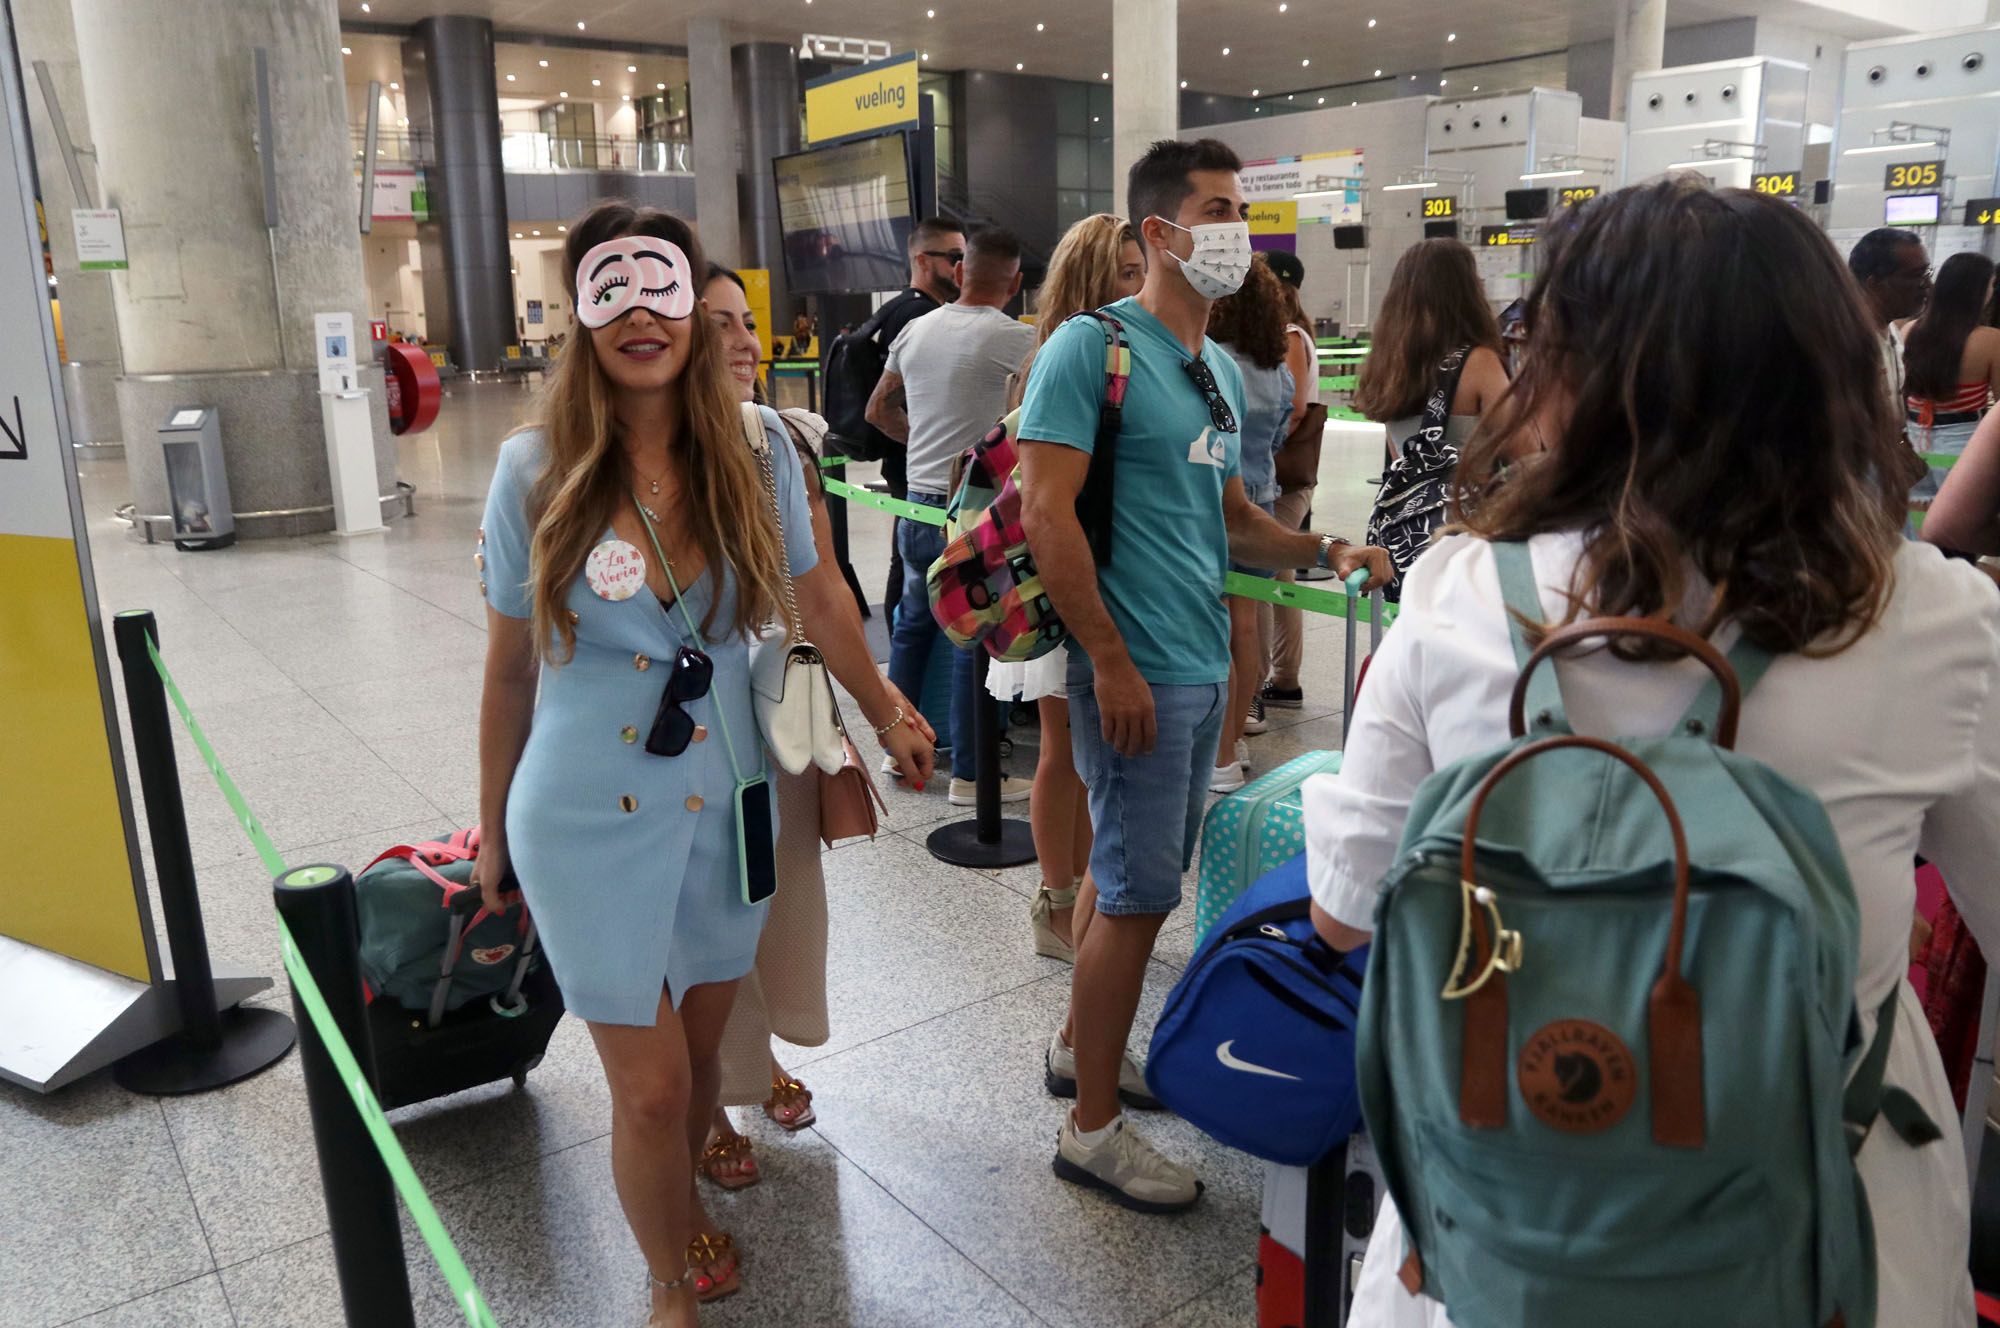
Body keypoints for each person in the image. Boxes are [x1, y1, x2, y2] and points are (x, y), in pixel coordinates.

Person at [1307, 178, 1995, 1327]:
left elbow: (1345, 909)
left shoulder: (1457, 587)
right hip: (1815, 1237)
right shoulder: (1928, 616)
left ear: (1569, 373)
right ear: (1823, 370)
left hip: (1499, 1232)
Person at [472, 203, 933, 1328]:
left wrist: (883, 706)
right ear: (580, 317)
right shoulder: (533, 472)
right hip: (582, 812)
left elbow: (818, 594)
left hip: (726, 801)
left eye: (660, 288)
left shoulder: (758, 448)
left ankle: (677, 1212)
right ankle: (668, 1286)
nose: (639, 313)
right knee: (653, 1083)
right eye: (611, 291)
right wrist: (491, 832)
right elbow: (508, 673)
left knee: (693, 1062)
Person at [1017, 137, 1390, 1213]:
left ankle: (1078, 1043)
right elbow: (1047, 513)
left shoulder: (1217, 368)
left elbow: (1230, 518)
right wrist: (1107, 660)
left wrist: (1319, 550)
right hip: (1132, 667)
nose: (1238, 230)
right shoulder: (1090, 350)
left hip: (1191, 661)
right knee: (1137, 892)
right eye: (1218, 208)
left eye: (1240, 208)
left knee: (1126, 872)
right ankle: (1090, 1129)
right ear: (1159, 233)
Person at [694, 266, 936, 1195]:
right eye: (717, 326)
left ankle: (749, 1063)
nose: (744, 342)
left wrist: (881, 708)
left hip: (775, 708)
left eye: (746, 322)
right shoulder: (617, 454)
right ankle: (712, 1098)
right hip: (675, 733)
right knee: (703, 909)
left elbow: (822, 585)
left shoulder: (776, 440)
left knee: (779, 892)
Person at [993, 213, 1147, 962]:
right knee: (1061, 746)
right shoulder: (1074, 351)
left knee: (1081, 753)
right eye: (1126, 272)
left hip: (1093, 574)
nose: (1140, 284)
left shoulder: (1100, 350)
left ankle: (1079, 889)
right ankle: (1057, 897)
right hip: (1059, 580)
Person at [868, 227, 1038, 806]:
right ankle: (973, 773)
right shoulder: (1019, 340)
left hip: (914, 505)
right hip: (969, 512)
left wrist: (924, 444)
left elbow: (878, 408)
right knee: (977, 635)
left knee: (913, 626)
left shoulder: (915, 330)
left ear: (961, 271)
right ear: (1015, 283)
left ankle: (902, 752)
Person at [1204, 255, 1298, 793]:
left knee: (1216, 629)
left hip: (1220, 503)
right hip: (1262, 501)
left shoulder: (1211, 360)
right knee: (1245, 625)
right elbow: (1279, 440)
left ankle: (1218, 753)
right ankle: (1233, 744)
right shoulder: (1276, 372)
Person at [867, 218, 968, 616]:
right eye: (956, 257)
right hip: (916, 468)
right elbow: (882, 405)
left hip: (909, 462)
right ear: (923, 260)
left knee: (908, 568)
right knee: (913, 579)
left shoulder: (900, 308)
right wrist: (927, 439)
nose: (963, 268)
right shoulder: (916, 316)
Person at [1352, 238, 1510, 472]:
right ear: (1466, 292)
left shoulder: (1388, 364)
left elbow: (1400, 459)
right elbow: (1525, 448)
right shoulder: (1478, 362)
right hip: (1470, 505)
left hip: (1411, 506)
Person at [1260, 270, 1322, 715]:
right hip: (1281, 476)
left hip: (1285, 477)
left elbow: (1296, 410)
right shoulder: (1283, 334)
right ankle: (1284, 679)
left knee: (1262, 572)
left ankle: (1269, 681)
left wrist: (1258, 449)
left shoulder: (1290, 336)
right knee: (1277, 573)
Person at [1900, 251, 2000, 511]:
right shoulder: (1990, 340)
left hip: (1915, 443)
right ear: (1978, 291)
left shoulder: (1910, 330)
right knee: (1957, 520)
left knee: (1920, 519)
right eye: (1991, 284)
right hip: (1964, 447)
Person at [1849, 226, 1931, 410]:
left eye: (1927, 273)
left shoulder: (1892, 331)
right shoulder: (1846, 344)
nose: (1927, 284)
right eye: (1916, 276)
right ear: (1875, 284)